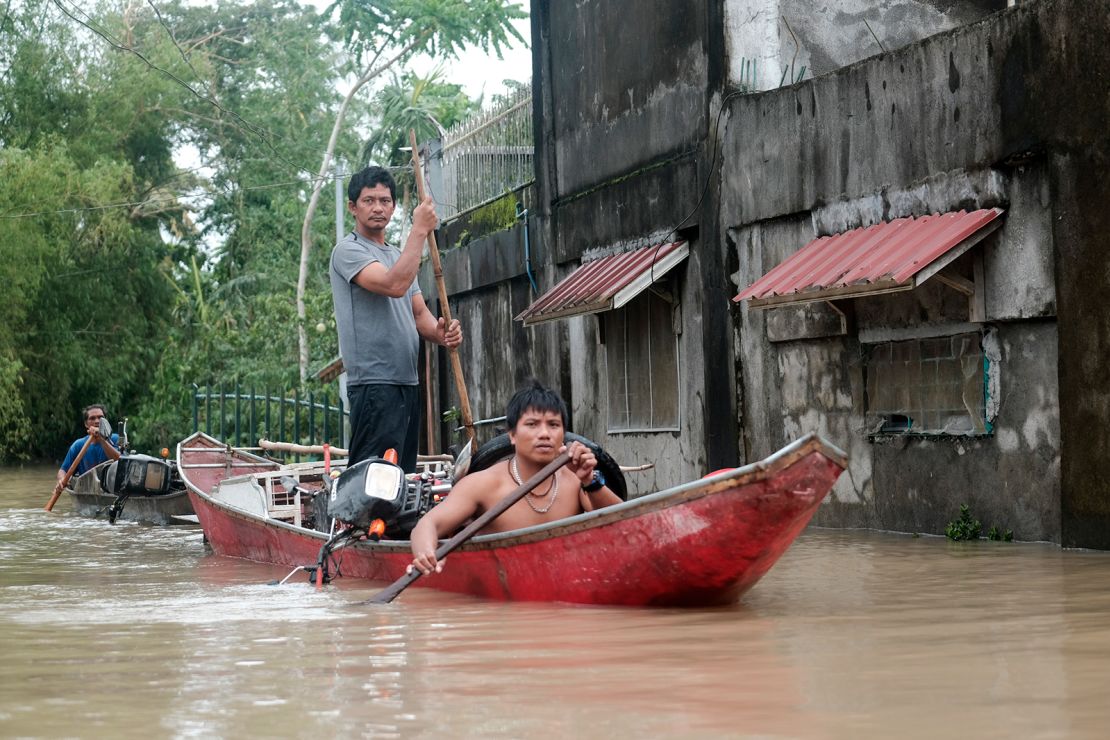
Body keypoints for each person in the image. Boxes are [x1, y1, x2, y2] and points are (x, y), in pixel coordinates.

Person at [409, 380, 623, 575]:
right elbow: (428, 524)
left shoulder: (576, 479)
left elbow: (623, 527)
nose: (545, 434)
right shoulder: (483, 484)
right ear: (511, 435)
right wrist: (426, 553)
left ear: (563, 434)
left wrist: (590, 480)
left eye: (553, 425)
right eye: (532, 424)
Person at [330, 165, 462, 473]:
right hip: (374, 383)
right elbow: (394, 285)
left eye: (385, 200)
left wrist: (443, 333)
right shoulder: (347, 251)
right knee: (373, 478)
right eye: (369, 200)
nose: (378, 207)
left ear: (393, 206)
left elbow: (419, 314)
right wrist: (418, 230)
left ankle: (398, 524)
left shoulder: (397, 256)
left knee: (401, 475)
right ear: (353, 207)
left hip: (406, 381)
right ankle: (364, 524)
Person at [56, 404, 120, 488]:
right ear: (86, 424)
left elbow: (119, 461)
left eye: (101, 417)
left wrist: (101, 438)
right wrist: (62, 479)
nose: (97, 421)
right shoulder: (78, 445)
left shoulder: (115, 439)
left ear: (105, 422)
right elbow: (63, 470)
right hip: (88, 488)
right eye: (92, 418)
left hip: (112, 487)